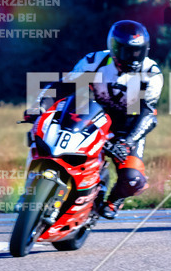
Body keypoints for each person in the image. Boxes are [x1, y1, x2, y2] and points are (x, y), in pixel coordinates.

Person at [29, 20, 163, 219]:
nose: (132, 57)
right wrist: (39, 106)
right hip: (94, 116)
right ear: (114, 48)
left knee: (133, 179)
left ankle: (113, 201)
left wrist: (127, 142)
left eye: (138, 51)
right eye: (127, 51)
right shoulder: (94, 61)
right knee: (50, 142)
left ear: (145, 50)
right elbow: (65, 86)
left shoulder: (152, 73)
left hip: (128, 128)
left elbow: (148, 115)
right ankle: (37, 188)